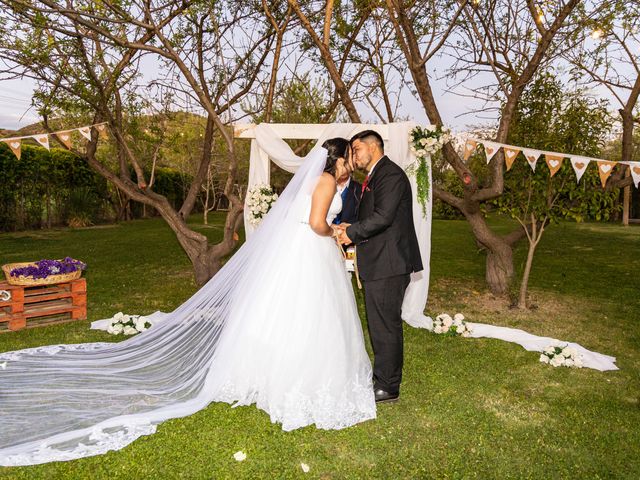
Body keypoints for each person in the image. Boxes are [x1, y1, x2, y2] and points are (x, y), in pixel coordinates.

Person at [0, 137, 376, 466]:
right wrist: (337, 232)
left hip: (296, 254)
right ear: (337, 158)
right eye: (348, 157)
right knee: (309, 315)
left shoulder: (312, 179)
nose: (350, 164)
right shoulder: (326, 180)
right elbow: (315, 224)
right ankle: (297, 379)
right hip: (310, 252)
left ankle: (265, 375)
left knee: (283, 312)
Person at [336, 130, 423, 404]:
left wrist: (351, 234)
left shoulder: (391, 175)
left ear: (371, 147)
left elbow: (384, 217)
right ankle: (383, 378)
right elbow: (377, 216)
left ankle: (388, 386)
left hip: (389, 262)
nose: (353, 157)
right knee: (379, 323)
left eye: (356, 150)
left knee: (385, 325)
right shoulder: (377, 175)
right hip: (381, 260)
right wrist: (353, 227)